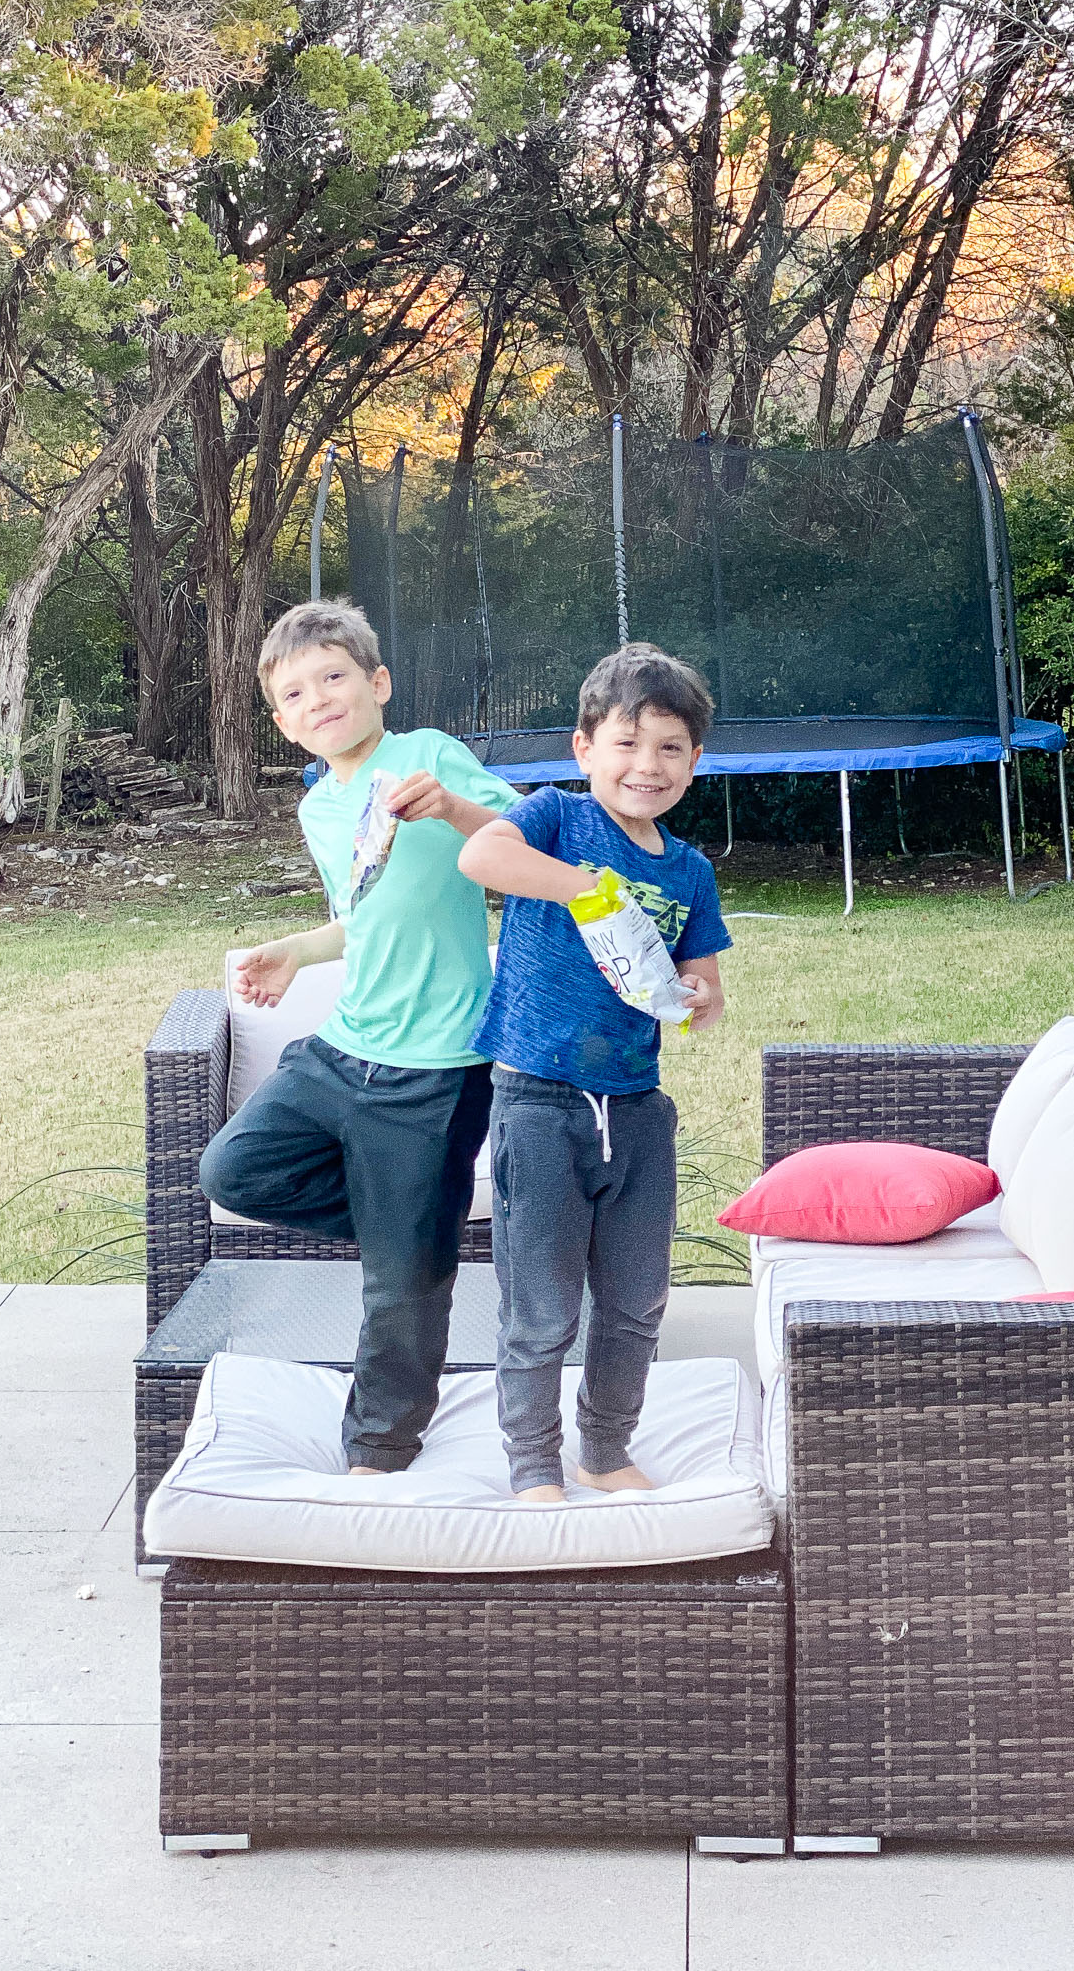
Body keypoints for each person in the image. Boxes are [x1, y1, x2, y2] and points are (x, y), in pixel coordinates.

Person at [198, 600, 520, 1474]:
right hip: (342, 1051)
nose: (319, 699)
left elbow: (528, 841)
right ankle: (412, 1230)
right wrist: (296, 951)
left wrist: (450, 807)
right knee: (233, 1171)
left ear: (378, 683)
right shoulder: (319, 809)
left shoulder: (428, 756)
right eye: (295, 693)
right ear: (282, 724)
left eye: (334, 677)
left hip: (436, 1067)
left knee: (398, 1293)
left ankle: (378, 1448)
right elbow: (362, 916)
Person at [458, 643, 731, 1503]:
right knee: (540, 1306)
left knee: (637, 1301)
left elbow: (705, 985)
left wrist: (697, 996)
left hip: (638, 1107)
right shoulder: (556, 819)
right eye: (627, 743)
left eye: (670, 748)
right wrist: (586, 888)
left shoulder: (689, 871)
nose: (648, 765)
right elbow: (481, 859)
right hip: (537, 1099)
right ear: (584, 749)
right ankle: (533, 1461)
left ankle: (605, 1451)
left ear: (695, 760)